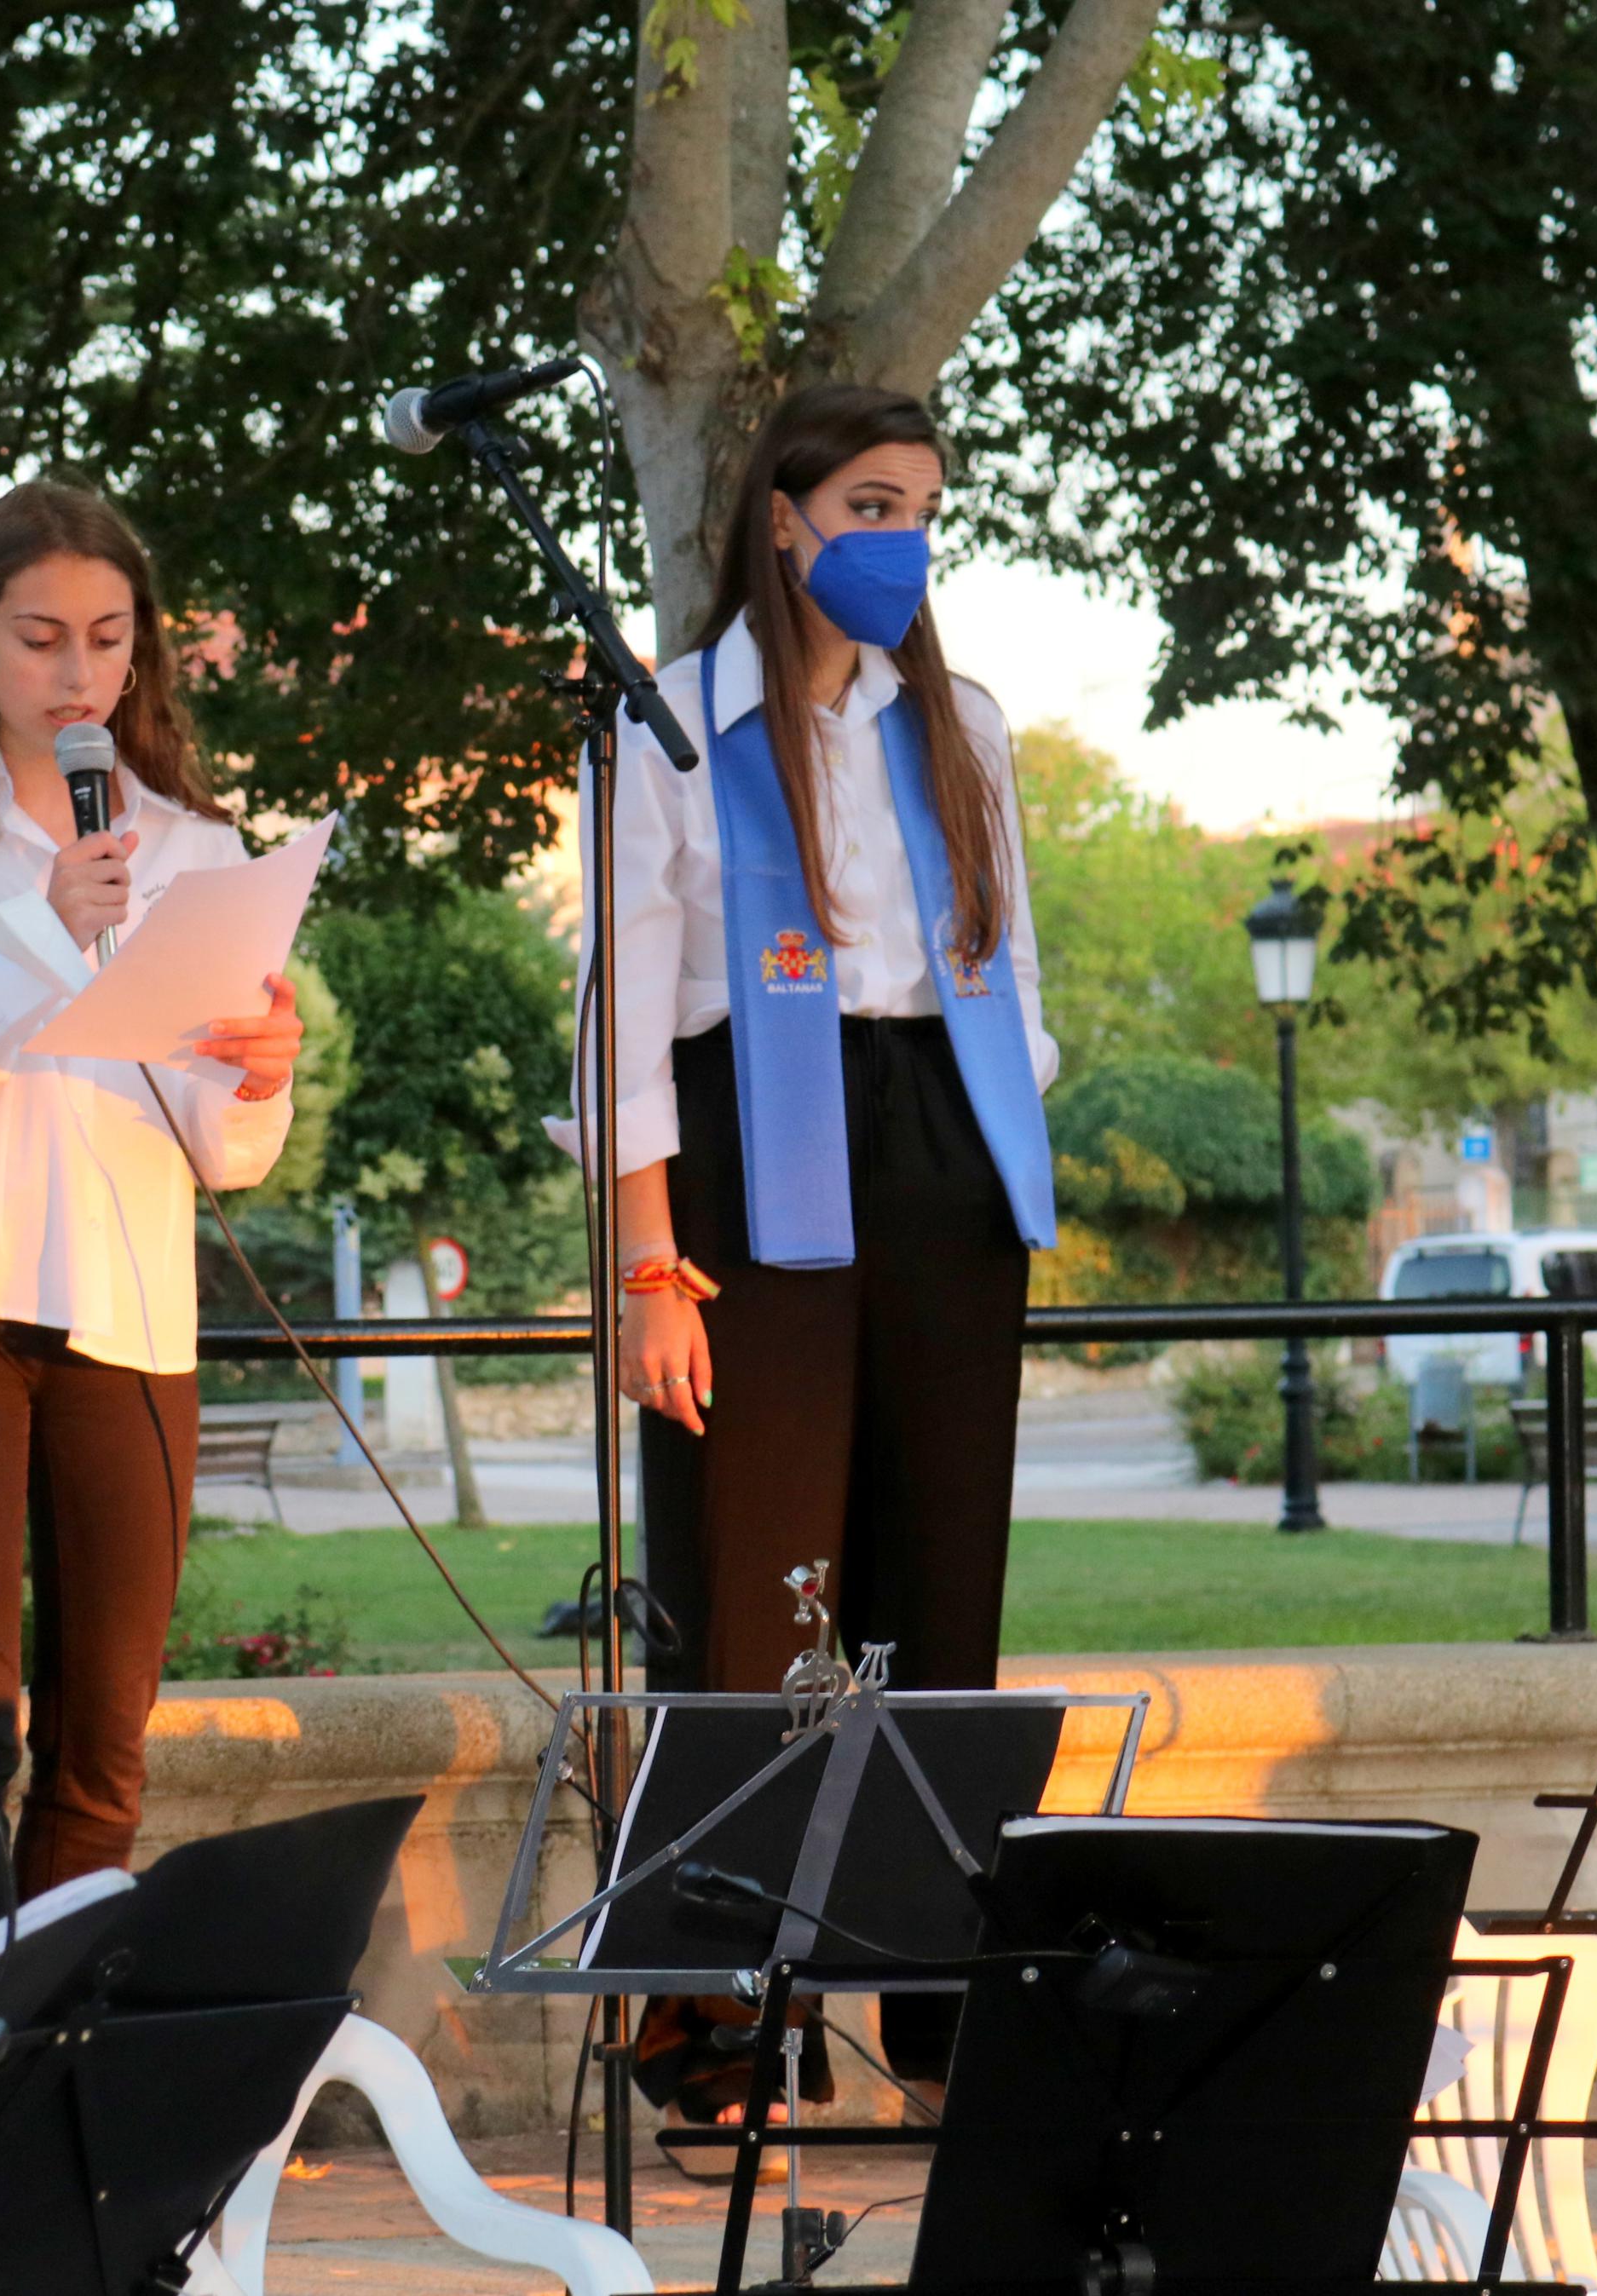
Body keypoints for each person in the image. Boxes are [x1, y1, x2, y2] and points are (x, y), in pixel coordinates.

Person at [556, 383, 1059, 2132]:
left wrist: (995, 1139)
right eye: (862, 505)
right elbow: (618, 1005)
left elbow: (1011, 966)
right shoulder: (671, 723)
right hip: (746, 1144)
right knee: (763, 1587)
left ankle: (933, 2017)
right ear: (779, 521)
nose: (894, 538)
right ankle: (711, 2022)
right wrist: (641, 1258)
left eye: (917, 505)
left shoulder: (960, 721)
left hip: (932, 1141)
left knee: (938, 1593)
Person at [0, 480, 306, 1961]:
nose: (76, 672)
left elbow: (221, 1157)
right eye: (39, 638)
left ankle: (52, 2048)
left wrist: (261, 1079)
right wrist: (44, 928)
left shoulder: (195, 844)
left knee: (106, 1734)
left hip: (133, 1308)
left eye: (106, 638)